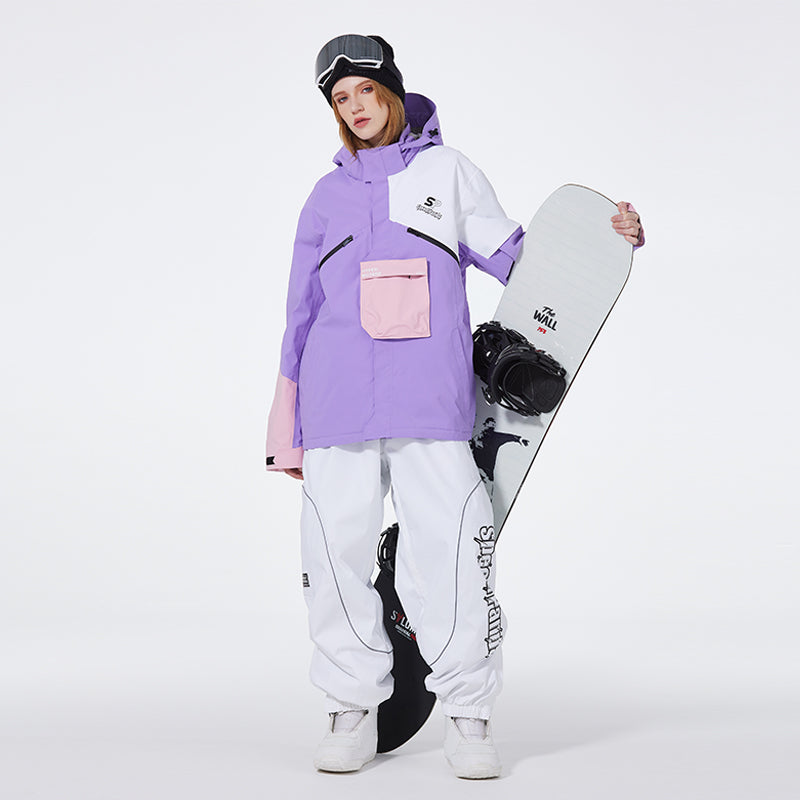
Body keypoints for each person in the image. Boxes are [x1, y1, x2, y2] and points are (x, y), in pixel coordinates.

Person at [266, 33, 644, 779]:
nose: (355, 107)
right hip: (338, 402)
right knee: (333, 559)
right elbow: (299, 314)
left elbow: (527, 266)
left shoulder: (448, 172)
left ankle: (469, 712)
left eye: (365, 91)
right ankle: (350, 705)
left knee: (453, 556)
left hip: (430, 401)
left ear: (390, 90)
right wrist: (288, 424)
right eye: (341, 99)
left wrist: (608, 242)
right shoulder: (324, 197)